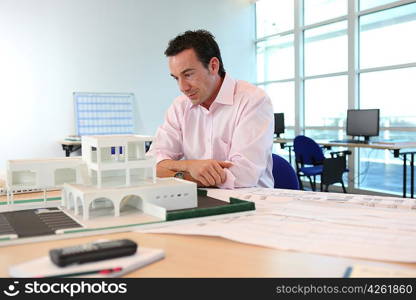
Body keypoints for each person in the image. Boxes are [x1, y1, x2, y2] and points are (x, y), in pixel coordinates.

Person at [147, 30, 274, 189]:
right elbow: (151, 164)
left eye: (188, 75)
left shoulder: (253, 100)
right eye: (176, 78)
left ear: (213, 66)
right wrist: (189, 166)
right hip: (198, 200)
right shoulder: (179, 106)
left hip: (252, 202)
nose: (182, 87)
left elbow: (243, 176)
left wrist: (174, 173)